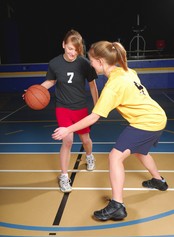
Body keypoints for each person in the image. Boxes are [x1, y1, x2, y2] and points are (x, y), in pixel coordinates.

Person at [52, 40, 168, 221]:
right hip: (158, 117)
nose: (90, 64)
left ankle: (117, 205)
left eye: (91, 60)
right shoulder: (126, 70)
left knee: (115, 157)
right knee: (139, 152)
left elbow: (94, 117)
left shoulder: (113, 86)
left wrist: (67, 129)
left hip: (145, 122)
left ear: (100, 61)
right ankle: (159, 181)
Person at [24, 29, 99, 193]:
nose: (73, 53)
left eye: (77, 50)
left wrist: (97, 106)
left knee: (86, 140)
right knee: (68, 141)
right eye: (70, 48)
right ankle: (64, 176)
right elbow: (50, 81)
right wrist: (33, 91)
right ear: (63, 45)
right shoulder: (54, 63)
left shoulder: (84, 63)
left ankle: (89, 156)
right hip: (63, 107)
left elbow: (92, 85)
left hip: (80, 108)